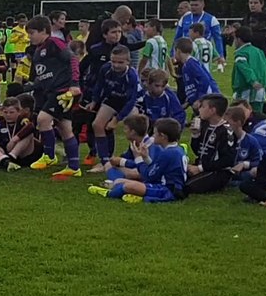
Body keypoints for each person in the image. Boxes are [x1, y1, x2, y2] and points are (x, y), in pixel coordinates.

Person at [24, 16, 82, 178]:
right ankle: (74, 166)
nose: (30, 36)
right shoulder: (37, 51)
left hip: (63, 91)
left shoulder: (54, 43)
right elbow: (43, 75)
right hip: (51, 92)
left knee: (43, 120)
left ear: (44, 31)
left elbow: (72, 59)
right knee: (65, 129)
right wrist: (31, 86)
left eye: (32, 33)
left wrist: (75, 84)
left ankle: (49, 156)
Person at [89, 117, 187, 203]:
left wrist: (138, 158)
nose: (153, 136)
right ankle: (134, 195)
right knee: (121, 181)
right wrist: (146, 158)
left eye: (155, 133)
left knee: (128, 186)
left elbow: (149, 176)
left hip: (167, 190)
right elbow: (154, 169)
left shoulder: (168, 153)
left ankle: (108, 193)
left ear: (163, 136)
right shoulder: (175, 150)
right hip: (168, 187)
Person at [88, 46, 140, 172]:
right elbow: (99, 85)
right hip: (112, 100)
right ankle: (105, 161)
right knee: (97, 125)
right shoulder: (105, 68)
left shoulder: (132, 76)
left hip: (130, 104)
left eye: (120, 62)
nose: (116, 65)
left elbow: (131, 100)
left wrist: (117, 119)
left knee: (136, 130)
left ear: (128, 62)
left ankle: (137, 158)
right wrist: (94, 101)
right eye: (113, 61)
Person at [185, 94, 237, 195]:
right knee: (175, 177)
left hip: (218, 172)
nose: (199, 109)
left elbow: (227, 160)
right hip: (202, 166)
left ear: (212, 110)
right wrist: (195, 135)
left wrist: (200, 168)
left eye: (203, 107)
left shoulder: (226, 131)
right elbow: (198, 152)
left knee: (187, 187)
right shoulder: (204, 125)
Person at [174, 0, 225, 66]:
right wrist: (173, 54)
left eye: (196, 5)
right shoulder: (184, 18)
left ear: (203, 5)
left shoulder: (211, 19)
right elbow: (177, 38)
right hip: (185, 54)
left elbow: (217, 39)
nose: (193, 7)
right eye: (191, 5)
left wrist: (221, 55)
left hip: (202, 54)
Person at [231, 26, 266, 115]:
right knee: (257, 116)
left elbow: (245, 69)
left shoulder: (241, 53)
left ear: (239, 39)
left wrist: (253, 81)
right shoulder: (259, 51)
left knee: (239, 116)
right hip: (261, 90)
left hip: (246, 90)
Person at [172, 37, 219, 111]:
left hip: (210, 99)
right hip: (203, 100)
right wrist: (188, 102)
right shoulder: (185, 65)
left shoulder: (191, 63)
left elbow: (205, 80)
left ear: (178, 51)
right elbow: (192, 88)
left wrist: (199, 99)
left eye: (174, 51)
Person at [226, 105, 263, 185]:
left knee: (253, 173)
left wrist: (244, 164)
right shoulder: (224, 139)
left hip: (244, 173)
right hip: (226, 171)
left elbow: (260, 161)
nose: (226, 126)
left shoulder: (251, 141)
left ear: (238, 122)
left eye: (228, 123)